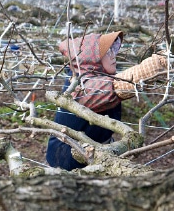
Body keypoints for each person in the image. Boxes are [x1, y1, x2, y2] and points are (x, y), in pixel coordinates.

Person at [46, 31, 168, 171]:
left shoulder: (92, 77)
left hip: (92, 150)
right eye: (107, 52)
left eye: (113, 50)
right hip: (66, 158)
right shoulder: (83, 86)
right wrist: (162, 61)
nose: (113, 55)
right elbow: (121, 85)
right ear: (91, 59)